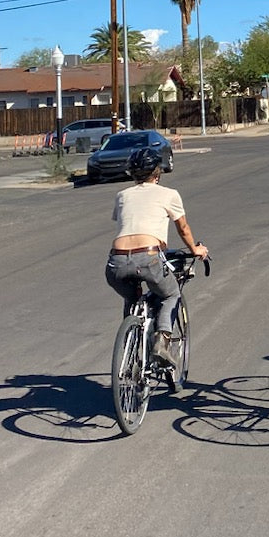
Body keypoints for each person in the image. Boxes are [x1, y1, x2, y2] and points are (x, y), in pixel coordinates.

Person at [106, 145, 208, 369]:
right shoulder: (169, 194)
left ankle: (131, 343)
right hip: (149, 258)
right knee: (171, 294)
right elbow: (183, 229)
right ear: (158, 172)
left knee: (132, 298)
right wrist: (195, 249)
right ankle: (161, 341)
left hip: (116, 263)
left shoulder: (122, 196)